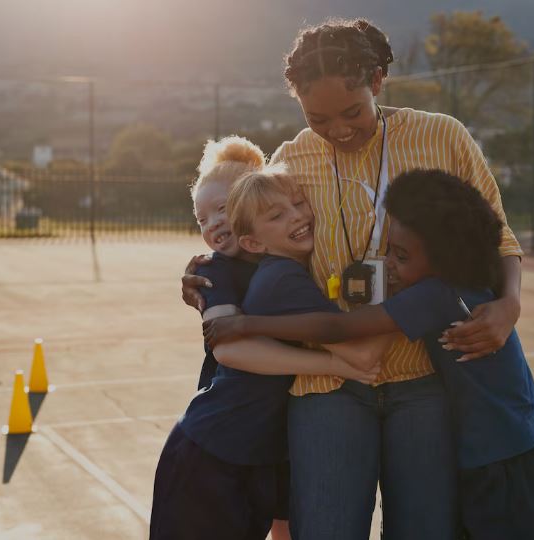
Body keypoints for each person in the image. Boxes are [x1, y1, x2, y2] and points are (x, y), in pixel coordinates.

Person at [182, 19, 524, 540]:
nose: (339, 129)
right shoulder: (291, 159)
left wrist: (510, 304)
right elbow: (256, 240)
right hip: (326, 385)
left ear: (378, 81)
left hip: (423, 377)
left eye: (352, 112)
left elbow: (497, 237)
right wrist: (208, 271)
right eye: (318, 118)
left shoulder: (441, 136)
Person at [205, 169, 534, 539]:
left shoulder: (435, 295)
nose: (390, 264)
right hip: (502, 453)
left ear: (442, 257)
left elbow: (338, 329)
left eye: (400, 255)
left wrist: (249, 324)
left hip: (511, 466)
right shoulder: (470, 278)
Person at [150, 136, 381, 540]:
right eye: (202, 218)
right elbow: (232, 349)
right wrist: (335, 362)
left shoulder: (285, 259)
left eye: (224, 209)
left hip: (266, 441)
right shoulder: (216, 272)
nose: (216, 223)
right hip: (221, 441)